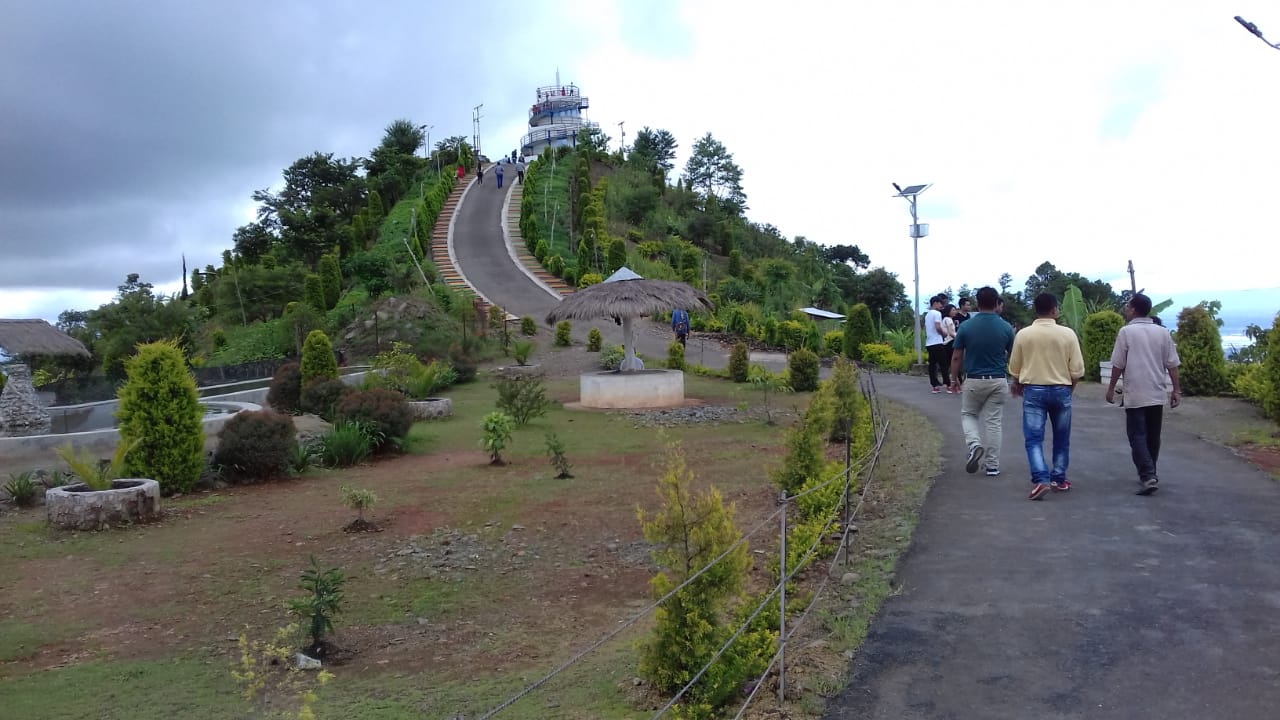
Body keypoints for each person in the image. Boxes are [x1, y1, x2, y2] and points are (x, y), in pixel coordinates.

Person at [1008, 292, 1085, 500]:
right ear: (1054, 310)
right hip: (1062, 389)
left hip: (1033, 390)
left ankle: (1041, 479)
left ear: (1036, 310)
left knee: (1033, 439)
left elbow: (1015, 368)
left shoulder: (1023, 334)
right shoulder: (1068, 334)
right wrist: (1070, 389)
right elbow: (1076, 370)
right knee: (1061, 438)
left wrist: (1017, 383)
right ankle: (1058, 479)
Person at [1105, 293, 1181, 495]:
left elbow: (1118, 365)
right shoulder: (1163, 333)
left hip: (1136, 393)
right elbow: (1172, 364)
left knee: (1137, 435)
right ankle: (1150, 473)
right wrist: (1176, 389)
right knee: (1153, 436)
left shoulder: (1126, 332)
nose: (1126, 309)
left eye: (1128, 306)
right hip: (1157, 391)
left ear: (1134, 309)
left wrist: (1111, 388)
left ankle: (1148, 475)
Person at [949, 287, 1015, 476]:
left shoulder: (966, 326)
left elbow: (956, 356)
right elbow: (1015, 356)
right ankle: (992, 465)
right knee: (994, 422)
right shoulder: (1006, 327)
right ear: (996, 304)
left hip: (974, 380)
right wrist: (1016, 378)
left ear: (977, 303)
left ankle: (974, 443)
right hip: (998, 380)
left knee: (969, 415)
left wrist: (954, 379)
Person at [924, 295, 950, 393]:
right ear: (935, 303)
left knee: (932, 365)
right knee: (943, 364)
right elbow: (938, 327)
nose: (941, 305)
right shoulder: (937, 313)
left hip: (929, 343)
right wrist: (944, 333)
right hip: (937, 342)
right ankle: (947, 384)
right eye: (940, 303)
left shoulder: (927, 315)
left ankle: (934, 385)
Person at [941, 304, 959, 393]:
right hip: (950, 342)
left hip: (945, 343)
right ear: (948, 311)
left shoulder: (945, 319)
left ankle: (950, 383)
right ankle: (954, 384)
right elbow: (951, 333)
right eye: (953, 310)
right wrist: (959, 337)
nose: (955, 311)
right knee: (953, 363)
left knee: (948, 364)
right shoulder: (948, 319)